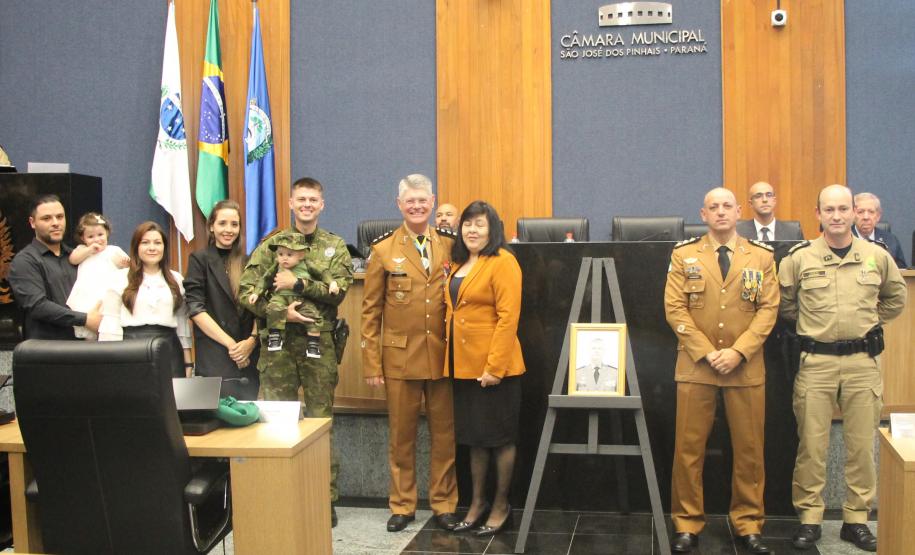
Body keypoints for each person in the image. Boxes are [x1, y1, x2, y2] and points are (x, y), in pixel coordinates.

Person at [780, 185, 906, 552]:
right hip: (815, 362)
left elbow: (896, 298)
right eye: (829, 209)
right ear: (817, 214)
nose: (836, 216)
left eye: (843, 209)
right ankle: (810, 518)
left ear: (854, 212)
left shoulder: (876, 256)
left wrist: (868, 324)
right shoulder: (799, 258)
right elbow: (786, 305)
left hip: (862, 362)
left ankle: (856, 519)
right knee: (812, 445)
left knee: (861, 446)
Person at [664, 187, 778, 554]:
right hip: (697, 366)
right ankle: (686, 523)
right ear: (703, 213)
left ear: (738, 211)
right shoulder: (684, 255)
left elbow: (767, 311)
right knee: (688, 450)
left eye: (727, 206)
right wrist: (708, 352)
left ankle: (748, 523)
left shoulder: (760, 258)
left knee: (749, 450)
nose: (721, 212)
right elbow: (675, 309)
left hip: (744, 368)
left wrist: (739, 352)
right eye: (713, 207)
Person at [238, 177, 353, 527]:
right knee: (277, 419)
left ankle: (324, 497)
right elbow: (247, 293)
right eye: (300, 199)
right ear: (290, 203)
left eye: (313, 200)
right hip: (278, 347)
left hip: (319, 345)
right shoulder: (271, 246)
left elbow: (338, 293)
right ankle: (280, 491)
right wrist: (280, 312)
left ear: (322, 204)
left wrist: (298, 284)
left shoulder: (335, 246)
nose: (306, 205)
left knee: (320, 420)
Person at [361, 174, 459, 532]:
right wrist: (372, 363)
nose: (417, 206)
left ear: (432, 201)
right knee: (401, 436)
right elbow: (370, 313)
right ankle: (402, 505)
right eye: (410, 201)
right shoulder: (383, 250)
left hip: (442, 357)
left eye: (423, 200)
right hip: (399, 358)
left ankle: (444, 503)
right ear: (399, 204)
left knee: (444, 436)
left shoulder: (451, 245)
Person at [445, 200, 524, 537]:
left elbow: (509, 318)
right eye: (467, 224)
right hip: (462, 368)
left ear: (493, 228)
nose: (472, 230)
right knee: (475, 440)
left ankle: (501, 504)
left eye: (479, 224)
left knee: (499, 440)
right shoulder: (460, 262)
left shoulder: (503, 261)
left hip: (496, 369)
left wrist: (495, 367)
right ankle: (476, 504)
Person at [183, 200, 259, 399]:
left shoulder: (249, 262)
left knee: (248, 421)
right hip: (216, 354)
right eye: (222, 223)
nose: (229, 230)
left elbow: (262, 308)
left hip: (248, 357)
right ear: (211, 227)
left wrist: (251, 341)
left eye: (234, 224)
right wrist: (232, 346)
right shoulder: (199, 260)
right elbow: (196, 309)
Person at [98, 222, 192, 378]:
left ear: (164, 247)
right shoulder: (119, 278)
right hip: (130, 350)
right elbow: (110, 324)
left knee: (169, 401)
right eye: (145, 242)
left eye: (157, 243)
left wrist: (188, 362)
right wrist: (109, 363)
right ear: (136, 247)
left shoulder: (176, 279)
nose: (152, 248)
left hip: (169, 350)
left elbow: (182, 323)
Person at [8, 195, 102, 340]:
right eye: (46, 218)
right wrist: (85, 319)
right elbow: (38, 306)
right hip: (47, 351)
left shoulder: (77, 256)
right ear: (32, 223)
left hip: (85, 346)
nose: (55, 223)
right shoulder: (24, 261)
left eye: (60, 217)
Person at [247, 230, 340, 359]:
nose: (284, 258)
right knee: (273, 309)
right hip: (280, 297)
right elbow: (266, 278)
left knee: (313, 315)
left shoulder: (307, 264)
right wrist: (256, 293)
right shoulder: (276, 265)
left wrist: (332, 283)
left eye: (289, 254)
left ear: (301, 255)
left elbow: (323, 273)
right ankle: (275, 336)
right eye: (280, 254)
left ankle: (313, 344)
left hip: (300, 299)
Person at [66, 212, 130, 339]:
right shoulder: (82, 250)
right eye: (90, 236)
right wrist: (89, 250)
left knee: (108, 324)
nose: (97, 239)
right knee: (88, 323)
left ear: (107, 233)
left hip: (105, 292)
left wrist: (124, 263)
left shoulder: (113, 250)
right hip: (87, 292)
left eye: (100, 235)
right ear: (83, 239)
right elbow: (73, 259)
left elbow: (125, 264)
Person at [852, 192, 907, 268]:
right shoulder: (844, 238)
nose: (866, 217)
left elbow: (902, 270)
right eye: (860, 212)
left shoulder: (891, 240)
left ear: (878, 216)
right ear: (853, 215)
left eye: (871, 212)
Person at [736, 181, 805, 241]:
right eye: (758, 196)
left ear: (774, 201)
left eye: (769, 195)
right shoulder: (738, 231)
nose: (764, 200)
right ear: (751, 203)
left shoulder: (793, 231)